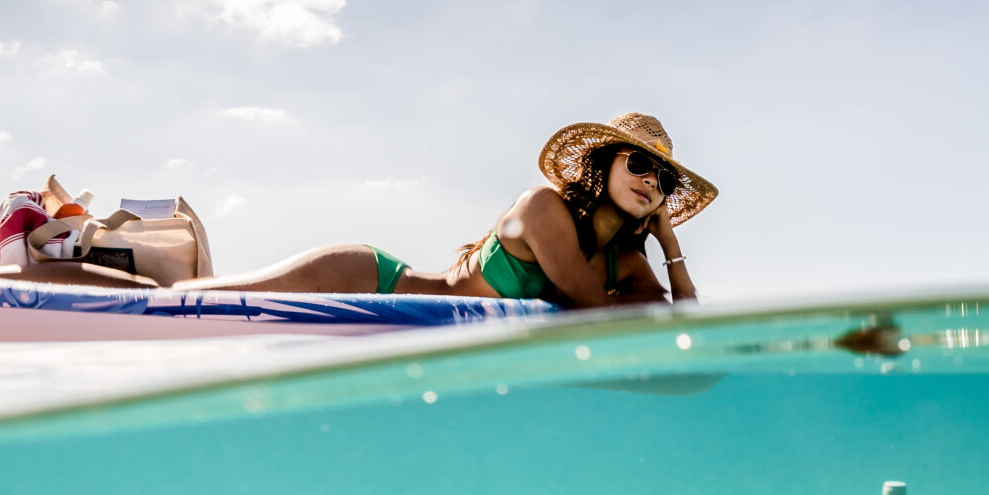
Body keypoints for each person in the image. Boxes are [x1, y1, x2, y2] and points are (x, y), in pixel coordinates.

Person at [174, 112, 712, 306]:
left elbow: (675, 328)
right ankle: (89, 268)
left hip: (398, 318)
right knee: (180, 301)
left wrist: (669, 246)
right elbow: (597, 311)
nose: (650, 180)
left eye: (663, 177)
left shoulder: (623, 260)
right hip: (371, 282)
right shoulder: (544, 208)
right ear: (602, 163)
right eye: (637, 163)